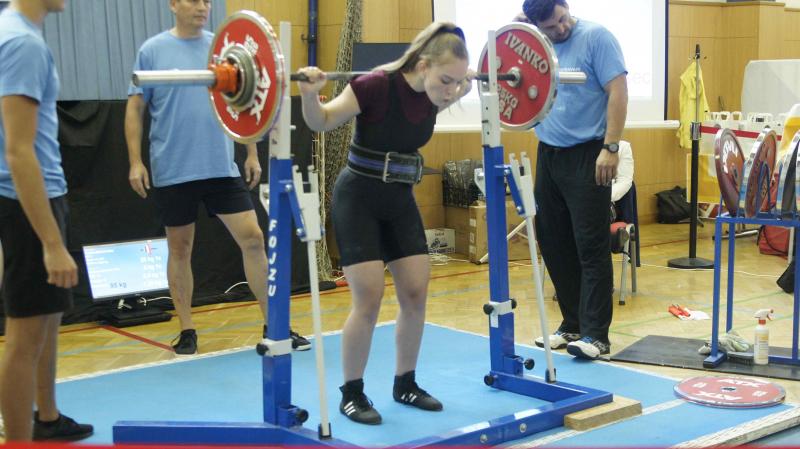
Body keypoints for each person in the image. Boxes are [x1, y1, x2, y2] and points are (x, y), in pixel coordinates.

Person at [297, 22, 473, 425]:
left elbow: (446, 95)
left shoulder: (435, 94)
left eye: (457, 82)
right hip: (358, 199)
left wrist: (463, 85)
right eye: (446, 80)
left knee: (415, 292)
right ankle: (352, 393)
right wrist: (309, 94)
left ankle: (405, 383)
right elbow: (321, 121)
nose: (451, 91)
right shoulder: (374, 85)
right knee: (369, 299)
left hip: (399, 200)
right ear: (423, 65)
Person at [125, 0, 309, 356]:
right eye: (194, 0)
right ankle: (187, 330)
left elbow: (244, 101)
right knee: (180, 249)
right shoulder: (152, 50)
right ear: (174, 4)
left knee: (254, 239)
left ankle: (275, 326)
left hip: (220, 167)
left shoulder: (224, 49)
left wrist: (251, 152)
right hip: (173, 168)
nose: (203, 7)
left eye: (207, 1)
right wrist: (135, 161)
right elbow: (135, 108)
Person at [0, 0, 94, 441]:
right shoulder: (22, 42)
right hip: (26, 201)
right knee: (26, 336)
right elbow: (19, 151)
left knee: (47, 318)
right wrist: (51, 243)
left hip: (41, 193)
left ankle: (48, 419)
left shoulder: (16, 31)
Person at [524, 0, 628, 360]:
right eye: (551, 27)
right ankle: (572, 324)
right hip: (549, 154)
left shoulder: (597, 37)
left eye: (562, 19)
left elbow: (618, 90)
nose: (560, 29)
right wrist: (520, 28)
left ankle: (597, 336)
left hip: (589, 154)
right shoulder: (536, 42)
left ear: (567, 7)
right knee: (553, 241)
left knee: (591, 245)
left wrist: (611, 147)